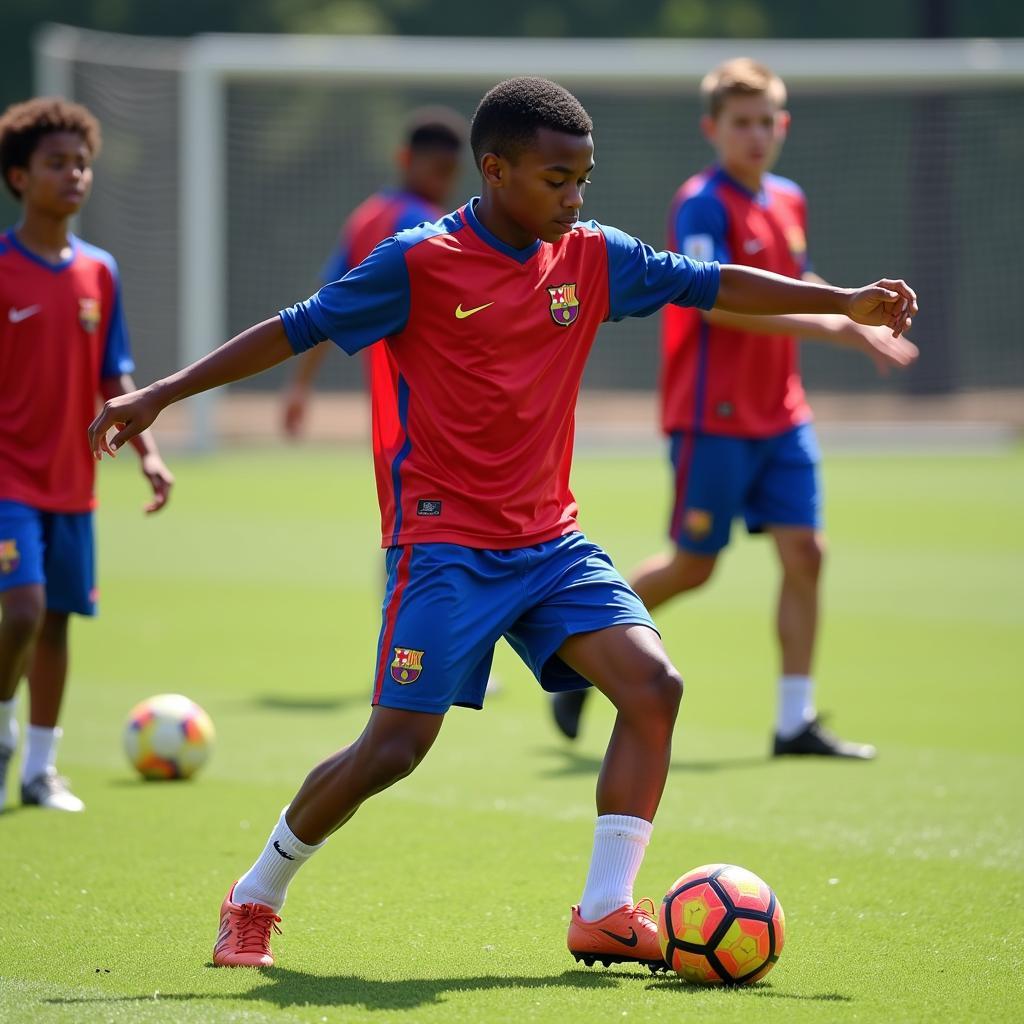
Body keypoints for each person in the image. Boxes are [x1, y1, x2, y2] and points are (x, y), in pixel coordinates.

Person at [88, 77, 916, 971]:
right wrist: (163, 393)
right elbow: (297, 328)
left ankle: (605, 910)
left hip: (550, 544)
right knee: (395, 748)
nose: (576, 197)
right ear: (495, 170)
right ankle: (255, 893)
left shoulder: (594, 256)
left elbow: (709, 282)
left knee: (652, 687)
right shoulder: (419, 261)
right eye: (558, 179)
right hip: (443, 546)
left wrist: (841, 301)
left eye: (584, 179)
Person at [551, 58, 915, 759]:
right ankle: (579, 659)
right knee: (694, 565)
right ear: (712, 129)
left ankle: (793, 720)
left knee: (806, 552)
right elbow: (720, 304)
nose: (755, 135)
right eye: (739, 123)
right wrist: (840, 324)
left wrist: (851, 313)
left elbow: (793, 279)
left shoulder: (788, 199)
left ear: (782, 126)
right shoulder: (701, 203)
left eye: (765, 122)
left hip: (781, 413)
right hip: (711, 415)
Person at [0, 97, 173, 813]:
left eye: (82, 164)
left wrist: (149, 454)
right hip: (8, 475)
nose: (74, 175)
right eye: (56, 163)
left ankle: (42, 769)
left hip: (74, 477)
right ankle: (3, 732)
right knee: (22, 611)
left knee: (60, 617)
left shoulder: (99, 271)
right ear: (18, 177)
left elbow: (116, 375)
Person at [281, 106, 467, 440]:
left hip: (391, 403)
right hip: (438, 404)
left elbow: (323, 307)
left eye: (450, 172)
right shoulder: (429, 227)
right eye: (438, 170)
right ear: (405, 159)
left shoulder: (365, 217)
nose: (444, 182)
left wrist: (300, 385)